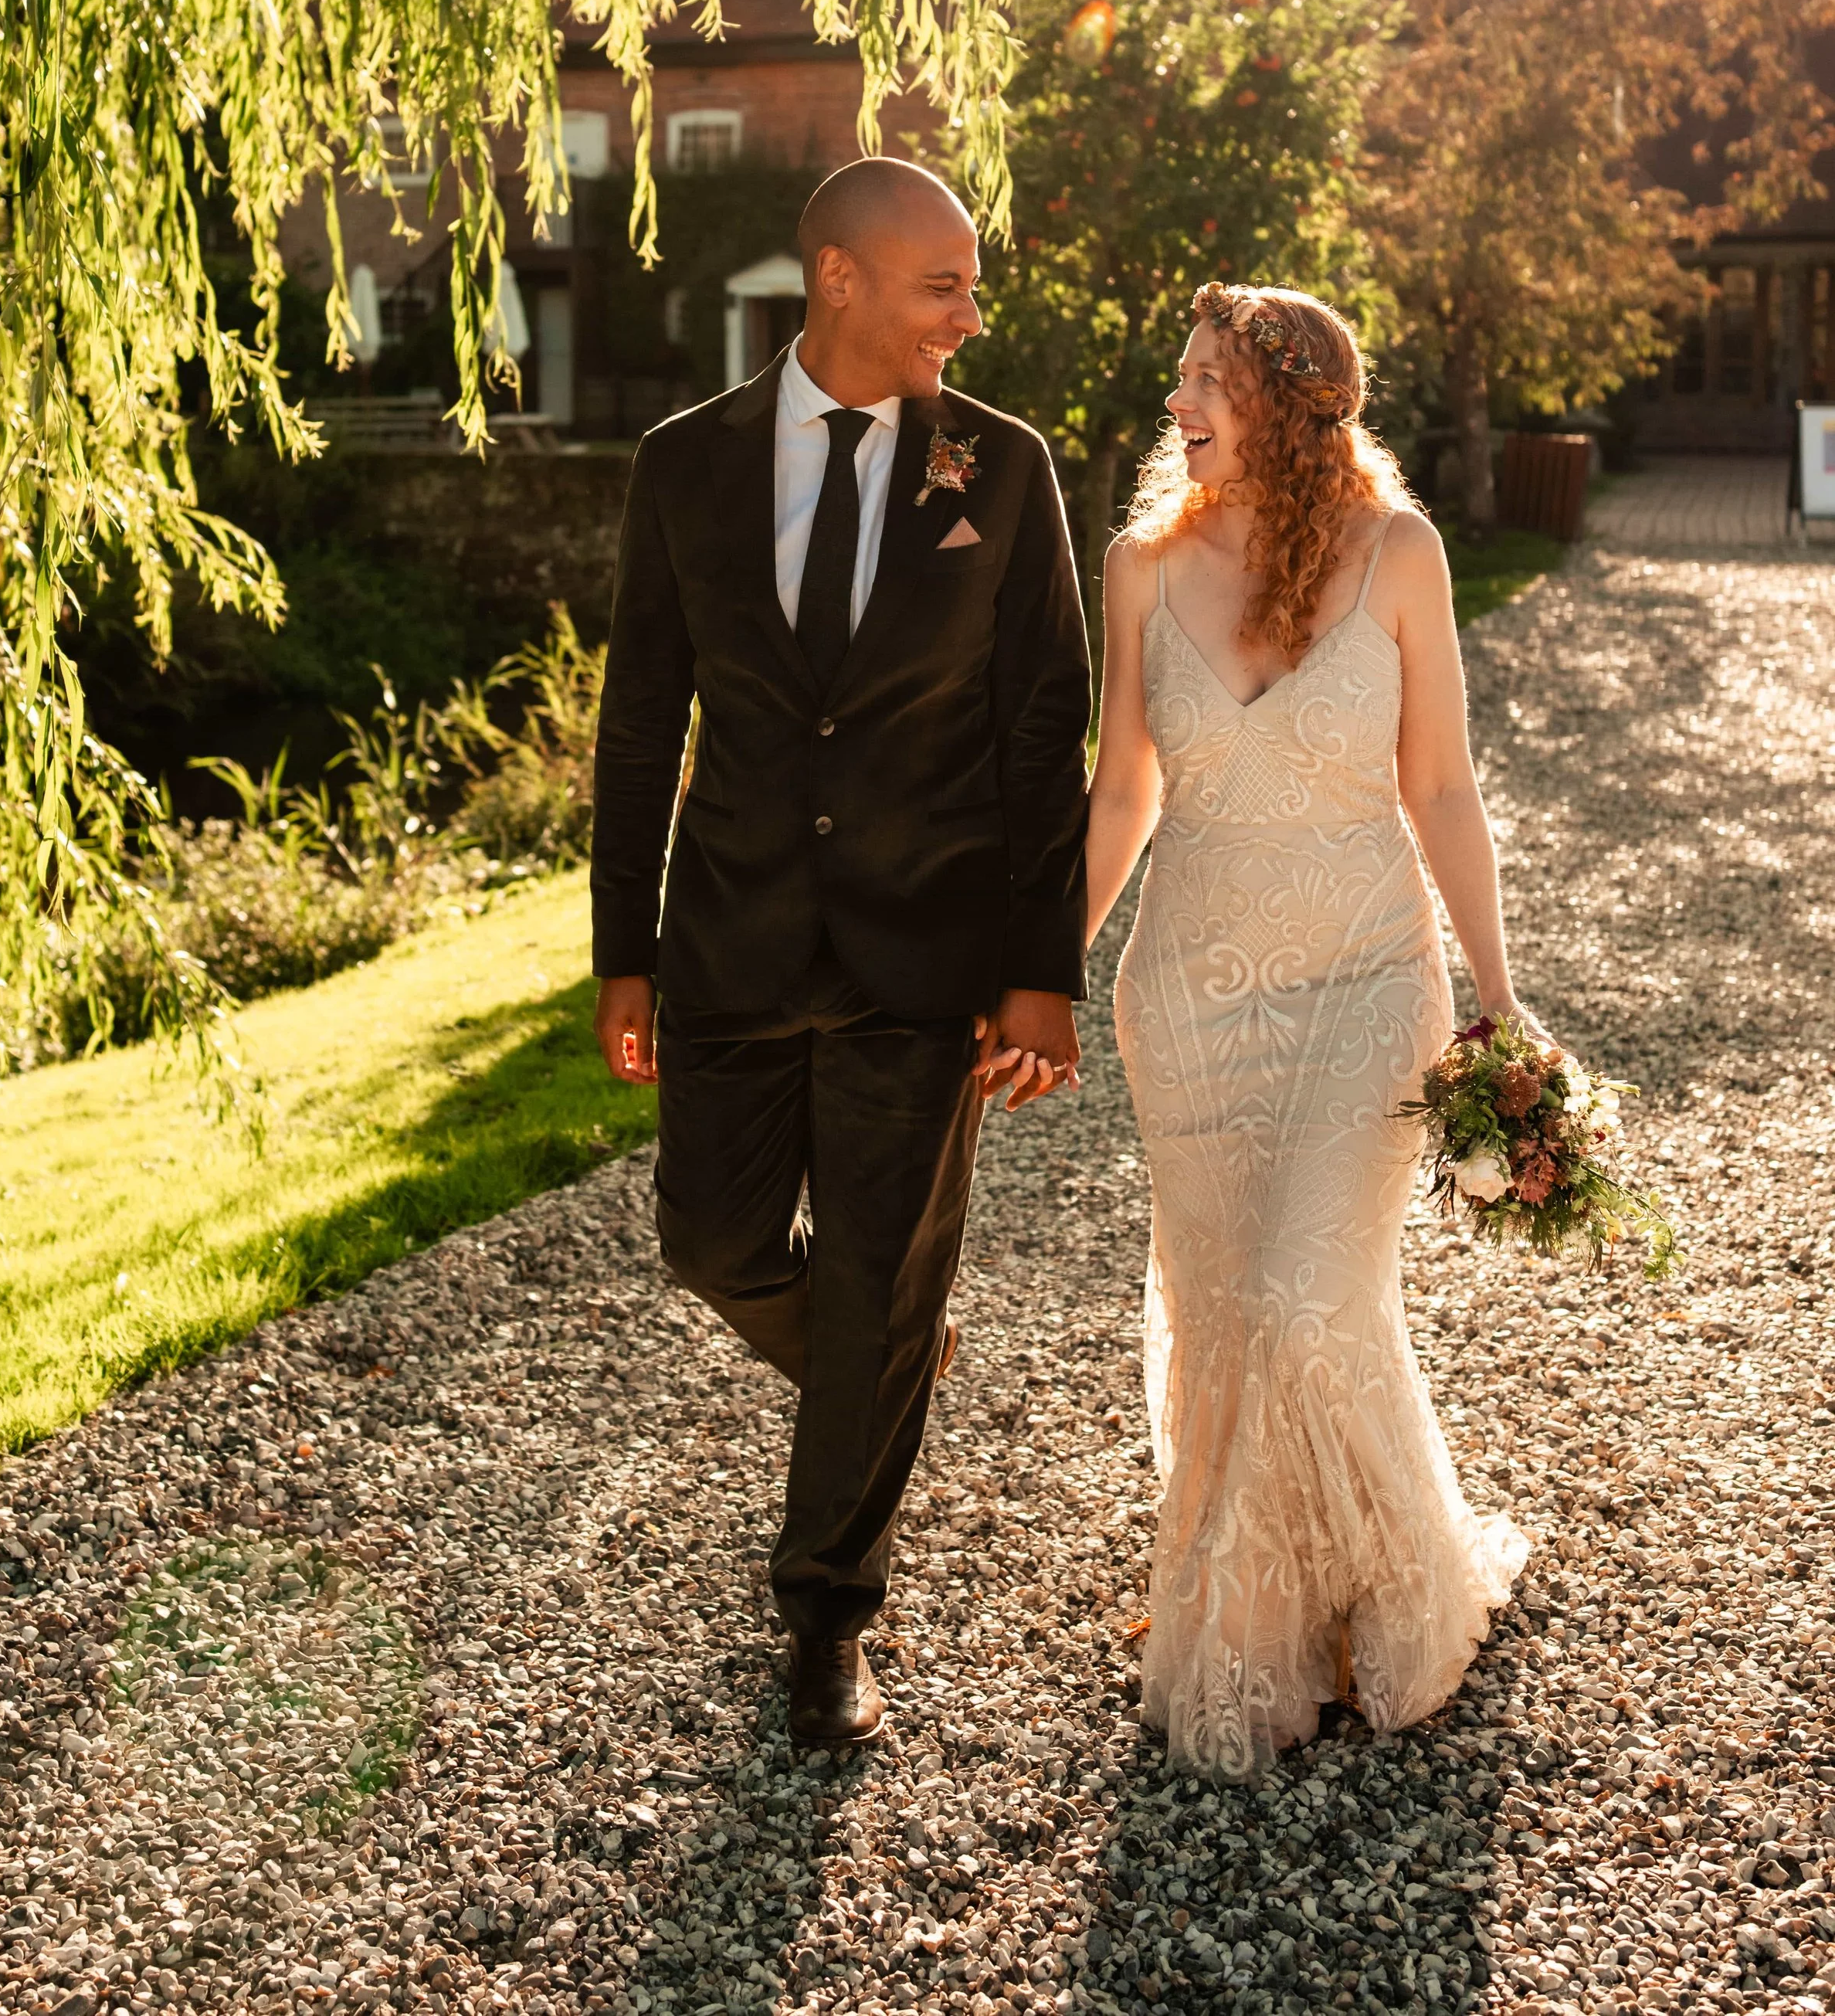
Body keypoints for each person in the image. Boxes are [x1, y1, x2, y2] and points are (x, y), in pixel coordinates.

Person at [590, 157, 1092, 1750]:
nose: (967, 308)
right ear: (838, 279)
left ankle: (825, 1618)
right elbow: (638, 721)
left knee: (877, 1258)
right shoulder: (685, 465)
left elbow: (1039, 729)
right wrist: (623, 952)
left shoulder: (1000, 471)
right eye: (940, 281)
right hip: (728, 934)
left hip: (921, 950)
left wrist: (1038, 970)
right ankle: (876, 1355)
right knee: (711, 1247)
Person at [1087, 280, 1529, 1779]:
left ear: (1278, 404)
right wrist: (1032, 982)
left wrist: (1496, 999)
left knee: (1300, 1296)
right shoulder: (1138, 567)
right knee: (1226, 1324)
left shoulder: (1398, 553)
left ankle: (1396, 1591)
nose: (1173, 406)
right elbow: (1119, 799)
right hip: (1189, 1007)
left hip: (1361, 983)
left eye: (1201, 379)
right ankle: (1279, 1619)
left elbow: (1443, 792)